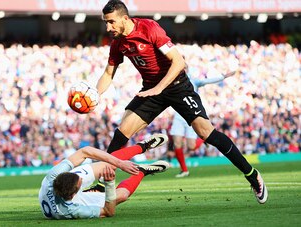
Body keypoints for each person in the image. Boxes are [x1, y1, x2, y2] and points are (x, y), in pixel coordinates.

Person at [95, 0, 268, 204]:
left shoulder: (149, 28)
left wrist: (160, 87)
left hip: (177, 85)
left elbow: (179, 62)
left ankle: (252, 175)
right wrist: (95, 94)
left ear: (124, 18)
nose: (108, 27)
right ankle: (100, 187)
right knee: (122, 130)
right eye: (106, 23)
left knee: (206, 133)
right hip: (152, 90)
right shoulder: (118, 44)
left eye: (111, 22)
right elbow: (108, 73)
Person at [38, 134, 170, 219]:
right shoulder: (70, 210)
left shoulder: (53, 176)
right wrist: (109, 183)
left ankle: (142, 146)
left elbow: (85, 151)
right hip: (76, 200)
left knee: (108, 164)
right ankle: (142, 171)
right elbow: (109, 211)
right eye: (80, 183)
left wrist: (119, 164)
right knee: (121, 196)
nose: (82, 180)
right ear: (74, 194)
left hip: (64, 191)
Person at [170, 70, 235, 177]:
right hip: (178, 116)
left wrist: (223, 76)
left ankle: (203, 139)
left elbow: (207, 81)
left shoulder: (192, 81)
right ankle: (184, 170)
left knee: (191, 146)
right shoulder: (171, 79)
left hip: (191, 115)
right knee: (177, 143)